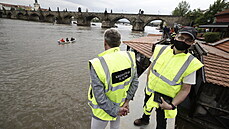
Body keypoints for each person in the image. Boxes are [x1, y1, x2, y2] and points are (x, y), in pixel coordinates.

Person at [133, 27, 204, 129]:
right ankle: (145, 119)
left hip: (165, 98)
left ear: (192, 43)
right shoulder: (161, 49)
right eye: (181, 37)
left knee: (161, 120)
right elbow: (151, 68)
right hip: (150, 89)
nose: (183, 41)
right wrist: (148, 84)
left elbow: (186, 89)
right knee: (146, 106)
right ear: (175, 36)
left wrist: (172, 105)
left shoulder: (191, 63)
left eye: (188, 40)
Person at [88, 28, 139, 129]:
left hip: (102, 112)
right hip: (121, 104)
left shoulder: (97, 64)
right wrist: (126, 102)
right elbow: (135, 82)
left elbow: (100, 97)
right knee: (115, 127)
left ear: (105, 42)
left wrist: (116, 110)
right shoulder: (130, 57)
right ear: (120, 43)